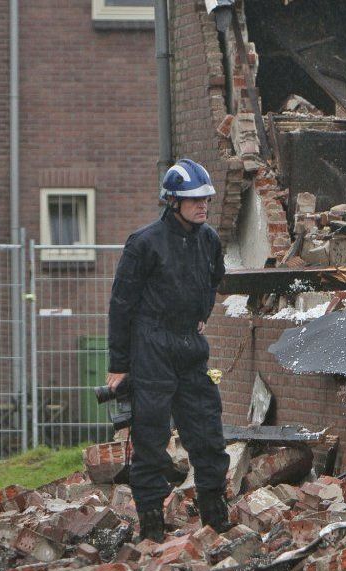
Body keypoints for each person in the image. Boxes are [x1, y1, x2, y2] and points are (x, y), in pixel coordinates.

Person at [106, 159, 230, 542]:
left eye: (206, 199)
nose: (202, 206)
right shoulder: (144, 243)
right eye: (194, 200)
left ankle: (216, 519)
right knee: (150, 439)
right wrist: (119, 364)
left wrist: (202, 316)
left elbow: (214, 280)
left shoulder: (209, 239)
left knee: (208, 432)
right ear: (172, 201)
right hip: (152, 347)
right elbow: (121, 304)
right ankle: (152, 528)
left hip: (191, 348)